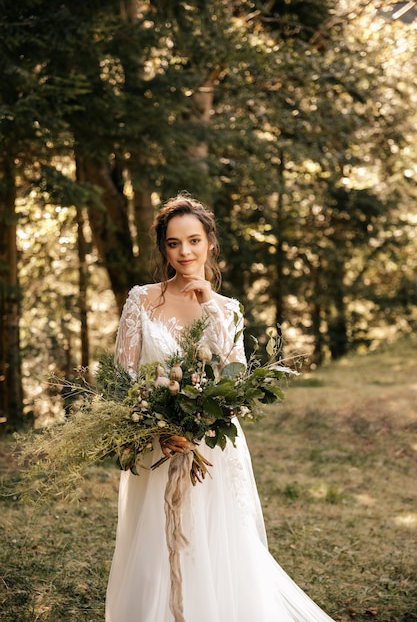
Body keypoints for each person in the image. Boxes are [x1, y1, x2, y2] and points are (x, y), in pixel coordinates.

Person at [106, 194, 334, 622]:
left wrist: (210, 304)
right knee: (156, 541)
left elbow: (235, 381)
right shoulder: (142, 300)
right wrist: (156, 429)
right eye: (174, 244)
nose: (185, 252)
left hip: (212, 447)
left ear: (210, 241)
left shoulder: (227, 309)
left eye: (193, 240)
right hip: (158, 446)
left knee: (215, 542)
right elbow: (124, 378)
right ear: (163, 249)